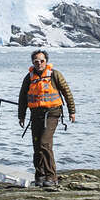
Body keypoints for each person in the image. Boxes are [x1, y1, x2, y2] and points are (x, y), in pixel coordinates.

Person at [18, 49, 76, 191]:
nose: (39, 63)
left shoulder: (55, 75)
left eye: (41, 61)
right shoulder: (29, 77)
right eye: (36, 61)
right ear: (33, 62)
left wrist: (72, 111)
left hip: (52, 113)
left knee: (45, 143)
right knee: (37, 145)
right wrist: (21, 115)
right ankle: (40, 175)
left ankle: (51, 176)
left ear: (46, 61)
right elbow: (22, 97)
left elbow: (67, 92)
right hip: (35, 114)